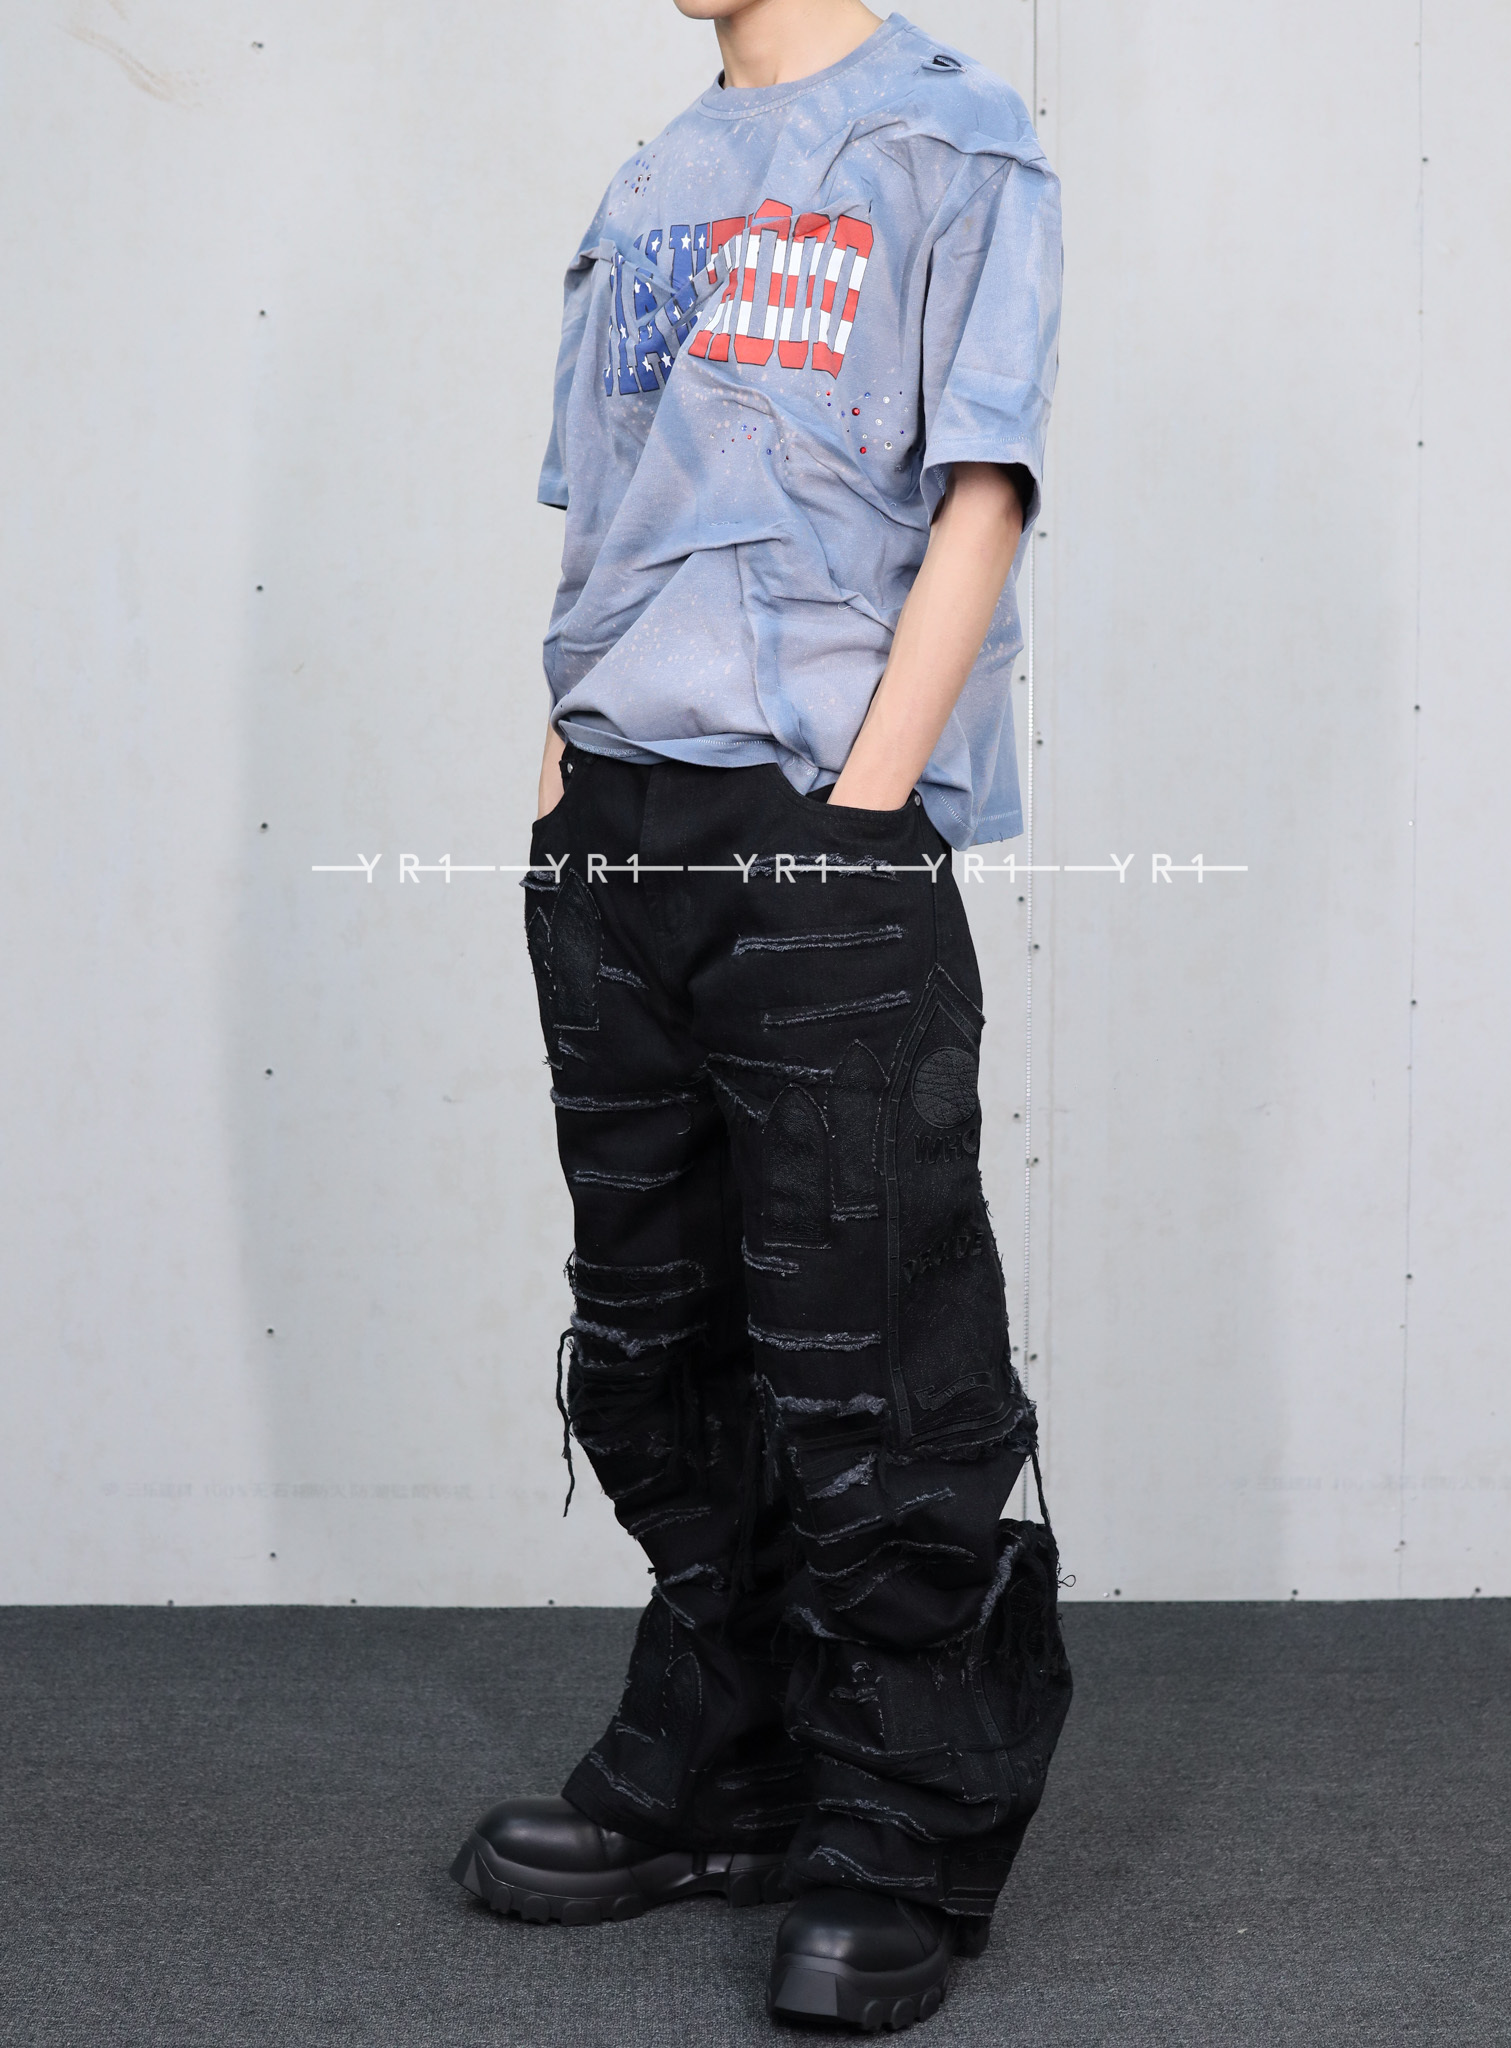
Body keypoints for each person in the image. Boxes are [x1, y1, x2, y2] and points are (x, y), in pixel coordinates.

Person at [452, 0, 1071, 2027]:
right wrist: (563, 775)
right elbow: (605, 505)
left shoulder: (952, 146)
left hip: (812, 817)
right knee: (653, 1324)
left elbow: (980, 486)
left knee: (864, 1349)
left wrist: (860, 804)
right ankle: (722, 1750)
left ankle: (895, 1822)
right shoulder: (653, 178)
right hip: (615, 820)